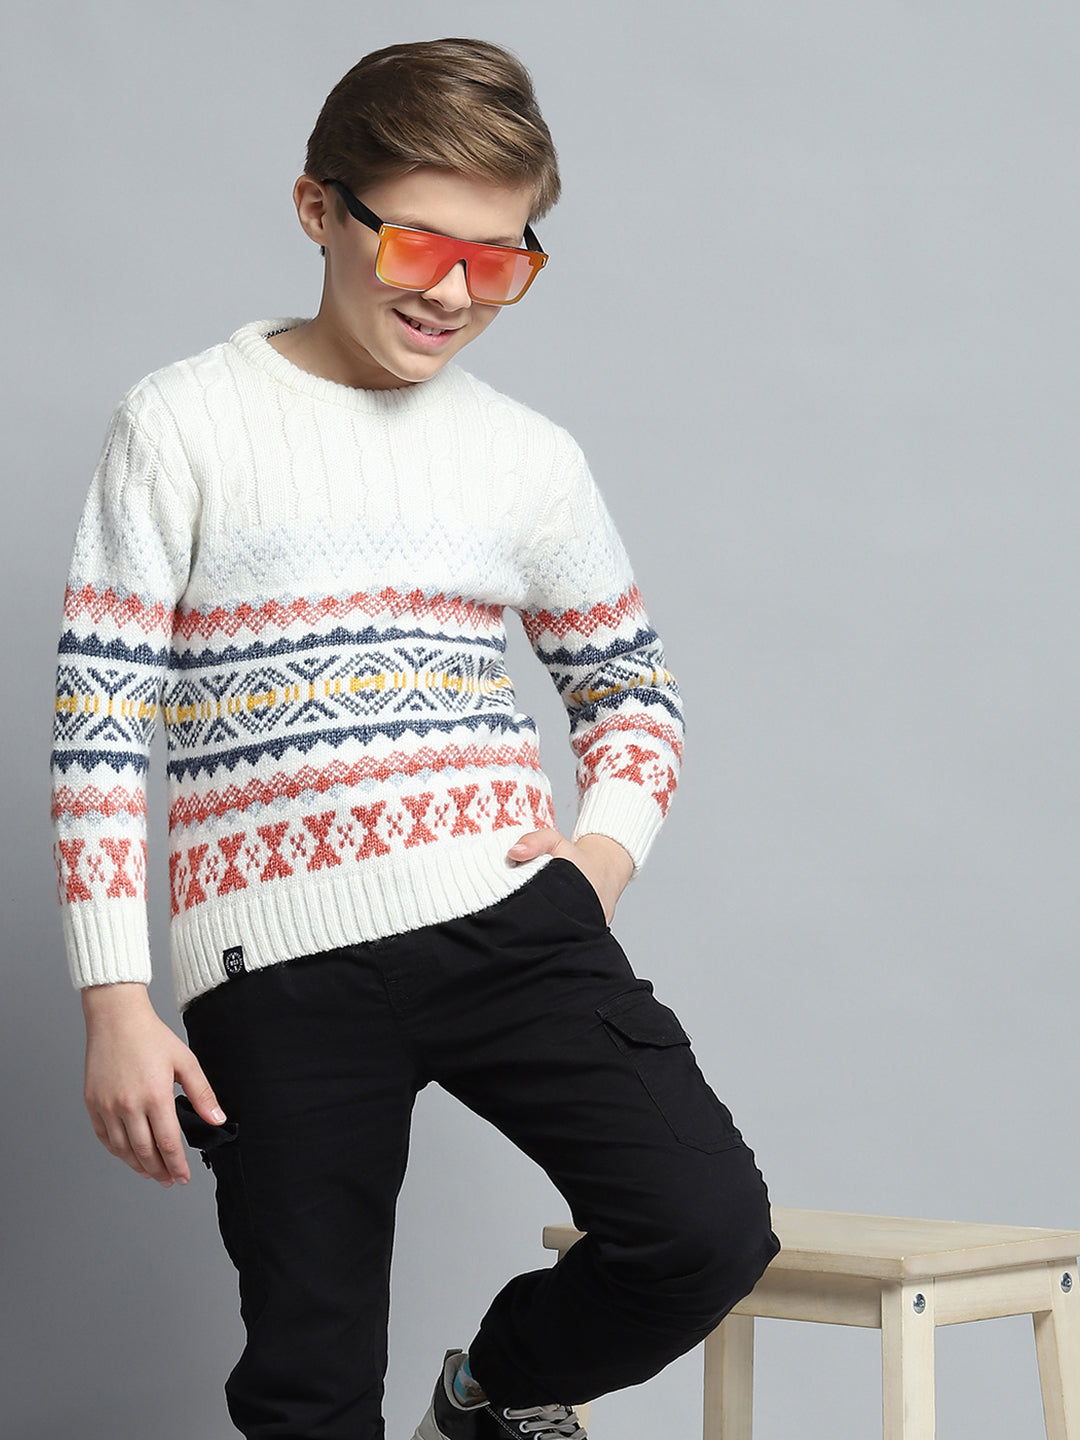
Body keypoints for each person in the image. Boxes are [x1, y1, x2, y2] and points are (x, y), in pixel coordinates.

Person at [50, 36, 780, 1440]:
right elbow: (100, 722)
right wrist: (114, 1001)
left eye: (498, 262)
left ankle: (491, 1393)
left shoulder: (528, 458)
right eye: (420, 247)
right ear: (317, 209)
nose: (453, 293)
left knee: (704, 1228)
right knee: (312, 1384)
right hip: (274, 970)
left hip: (511, 927)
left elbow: (633, 697)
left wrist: (593, 868)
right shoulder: (182, 424)